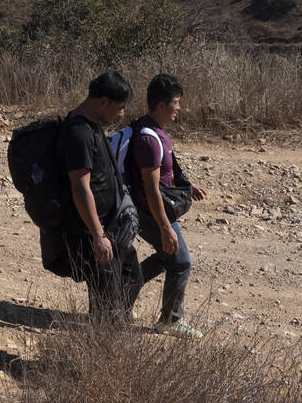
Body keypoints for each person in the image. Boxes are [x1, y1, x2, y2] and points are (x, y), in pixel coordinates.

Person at [59, 70, 142, 320]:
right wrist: (98, 236)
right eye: (119, 107)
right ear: (102, 101)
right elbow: (80, 187)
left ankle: (110, 331)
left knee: (132, 277)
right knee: (106, 299)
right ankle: (104, 341)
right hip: (94, 231)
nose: (122, 113)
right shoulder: (79, 134)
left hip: (112, 228)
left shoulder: (92, 125)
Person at [129, 74, 207, 338]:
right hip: (152, 211)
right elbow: (151, 189)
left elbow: (164, 174)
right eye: (176, 102)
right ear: (161, 105)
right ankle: (171, 320)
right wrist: (165, 227)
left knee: (166, 258)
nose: (179, 108)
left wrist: (186, 185)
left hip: (151, 208)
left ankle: (119, 296)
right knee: (181, 262)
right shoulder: (149, 140)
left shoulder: (152, 130)